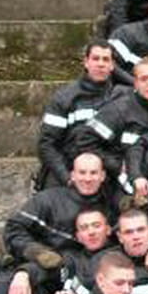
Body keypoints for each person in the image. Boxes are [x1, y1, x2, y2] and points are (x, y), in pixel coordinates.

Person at [36, 40, 125, 190]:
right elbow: (46, 145)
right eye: (95, 59)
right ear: (86, 62)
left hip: (109, 171)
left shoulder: (122, 97)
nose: (100, 64)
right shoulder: (64, 98)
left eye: (105, 59)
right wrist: (67, 177)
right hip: (68, 169)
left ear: (112, 65)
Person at [76, 57, 148, 181]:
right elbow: (84, 140)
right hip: (124, 180)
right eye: (144, 79)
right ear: (135, 83)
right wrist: (116, 165)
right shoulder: (119, 110)